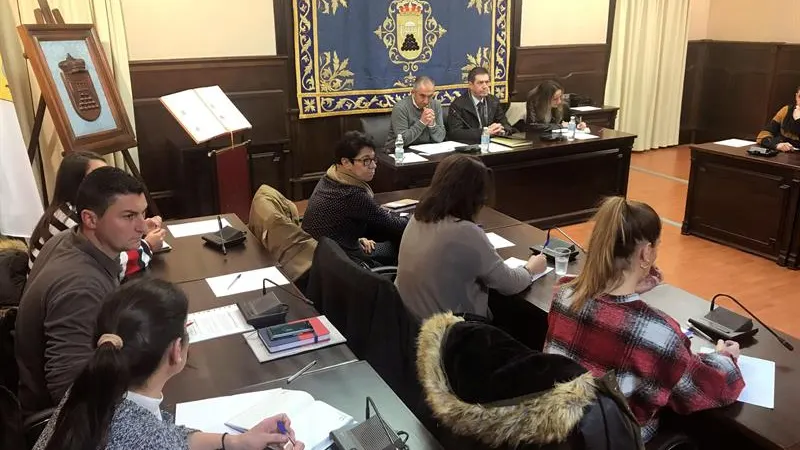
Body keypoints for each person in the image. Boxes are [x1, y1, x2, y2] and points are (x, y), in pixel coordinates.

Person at [543, 197, 745, 442]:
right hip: (618, 440)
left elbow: (604, 314)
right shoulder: (658, 332)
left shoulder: (564, 295)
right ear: (646, 252)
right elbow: (707, 389)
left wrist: (631, 291)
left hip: (561, 432)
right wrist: (725, 357)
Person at [34, 279, 305, 450]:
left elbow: (168, 437)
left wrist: (234, 442)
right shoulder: (141, 435)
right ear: (177, 351)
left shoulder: (89, 388)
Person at [16, 166, 153, 416]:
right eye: (129, 216)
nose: (142, 227)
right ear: (90, 219)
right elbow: (70, 393)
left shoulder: (67, 239)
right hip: (61, 422)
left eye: (143, 214)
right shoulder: (80, 286)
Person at [395, 154, 547, 320]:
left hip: (408, 323)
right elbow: (509, 284)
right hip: (447, 334)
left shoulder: (419, 216)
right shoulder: (465, 232)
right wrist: (531, 268)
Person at [28, 151, 165, 279]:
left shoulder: (63, 210)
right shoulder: (71, 221)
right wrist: (148, 246)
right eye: (98, 175)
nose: (107, 182)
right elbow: (114, 265)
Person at [302, 131, 408, 266]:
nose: (374, 166)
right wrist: (416, 219)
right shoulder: (351, 194)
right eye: (366, 161)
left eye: (373, 159)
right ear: (346, 162)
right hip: (343, 262)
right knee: (399, 245)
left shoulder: (331, 177)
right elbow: (392, 223)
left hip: (326, 253)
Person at [446, 67, 513, 144]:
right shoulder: (458, 105)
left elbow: (506, 125)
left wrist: (500, 130)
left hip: (492, 144)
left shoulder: (493, 101)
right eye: (480, 83)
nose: (485, 86)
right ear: (471, 85)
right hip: (470, 147)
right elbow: (455, 133)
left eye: (487, 82)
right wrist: (484, 132)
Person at [384, 75, 446, 149]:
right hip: (399, 151)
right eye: (422, 96)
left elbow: (440, 138)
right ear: (413, 92)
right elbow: (402, 140)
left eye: (430, 96)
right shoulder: (400, 108)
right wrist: (422, 123)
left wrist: (432, 125)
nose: (426, 101)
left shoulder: (436, 105)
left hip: (427, 150)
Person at [757, 86, 800, 151]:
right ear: (796, 96)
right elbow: (763, 134)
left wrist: (798, 121)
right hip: (783, 156)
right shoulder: (786, 110)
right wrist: (776, 145)